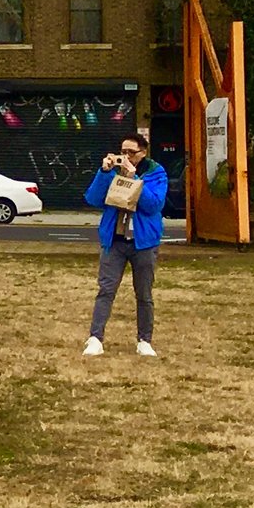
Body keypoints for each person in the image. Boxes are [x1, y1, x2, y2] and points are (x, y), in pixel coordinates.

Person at [82, 132, 168, 357]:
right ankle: (95, 338)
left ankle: (144, 340)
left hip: (143, 243)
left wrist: (134, 179)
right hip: (115, 241)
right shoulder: (112, 173)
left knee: (144, 294)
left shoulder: (155, 173)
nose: (127, 156)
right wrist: (104, 173)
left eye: (132, 152)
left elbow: (154, 205)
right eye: (123, 152)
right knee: (106, 290)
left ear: (143, 152)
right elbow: (92, 199)